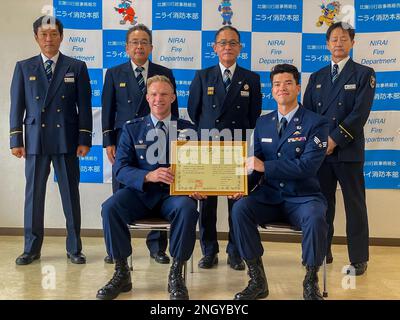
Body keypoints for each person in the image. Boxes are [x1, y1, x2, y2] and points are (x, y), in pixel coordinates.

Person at [97, 75, 202, 300]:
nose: (158, 99)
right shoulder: (132, 128)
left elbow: (199, 167)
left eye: (164, 94)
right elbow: (120, 169)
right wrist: (148, 175)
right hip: (139, 193)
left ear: (173, 97)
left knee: (187, 208)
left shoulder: (189, 130)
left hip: (173, 196)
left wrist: (198, 185)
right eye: (154, 94)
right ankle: (121, 271)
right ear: (147, 97)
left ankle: (176, 273)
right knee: (110, 207)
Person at [231, 64, 329, 300]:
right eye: (276, 84)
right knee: (240, 209)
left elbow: (308, 166)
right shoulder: (263, 122)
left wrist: (266, 167)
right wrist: (239, 187)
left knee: (316, 218)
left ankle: (310, 280)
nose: (281, 88)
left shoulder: (317, 122)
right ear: (272, 91)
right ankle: (257, 280)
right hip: (270, 196)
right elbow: (255, 164)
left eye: (287, 83)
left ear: (297, 87)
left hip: (303, 197)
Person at [10, 16, 92, 265]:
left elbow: (85, 107)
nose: (49, 39)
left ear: (61, 36)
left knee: (70, 195)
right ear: (36, 37)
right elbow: (17, 106)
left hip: (66, 139)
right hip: (35, 140)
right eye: (44, 34)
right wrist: (16, 139)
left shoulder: (76, 67)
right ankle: (31, 249)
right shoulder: (24, 67)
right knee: (33, 197)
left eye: (53, 34)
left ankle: (74, 248)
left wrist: (84, 138)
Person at [102, 24, 178, 265]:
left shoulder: (163, 71)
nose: (139, 46)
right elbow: (108, 108)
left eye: (144, 41)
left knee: (162, 189)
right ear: (127, 47)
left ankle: (157, 247)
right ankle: (117, 251)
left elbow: (172, 111)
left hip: (160, 140)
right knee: (123, 193)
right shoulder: (114, 73)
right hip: (127, 141)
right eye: (134, 42)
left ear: (151, 47)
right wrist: (108, 140)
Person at [303, 22, 375, 275]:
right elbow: (308, 115)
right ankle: (322, 251)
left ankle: (358, 258)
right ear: (327, 44)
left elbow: (359, 114)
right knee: (322, 205)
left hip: (348, 151)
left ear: (352, 43)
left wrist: (333, 141)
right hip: (321, 154)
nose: (338, 43)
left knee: (355, 206)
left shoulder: (364, 74)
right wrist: (320, 144)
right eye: (334, 39)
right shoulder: (317, 77)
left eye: (344, 38)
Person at [187, 26, 262, 271]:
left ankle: (235, 252)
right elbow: (194, 111)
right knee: (206, 205)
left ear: (240, 47)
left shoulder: (251, 78)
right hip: (208, 146)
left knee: (236, 204)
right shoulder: (202, 76)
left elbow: (254, 115)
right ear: (215, 47)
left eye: (232, 43)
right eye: (222, 43)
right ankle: (209, 251)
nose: (227, 47)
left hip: (236, 147)